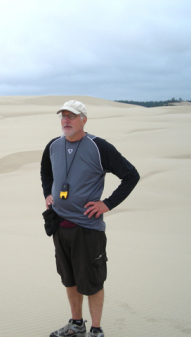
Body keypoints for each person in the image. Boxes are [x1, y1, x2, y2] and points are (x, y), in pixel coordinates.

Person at [40, 100, 140, 337]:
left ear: (84, 120)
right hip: (60, 226)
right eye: (63, 116)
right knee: (70, 279)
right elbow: (45, 171)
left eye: (71, 116)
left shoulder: (99, 147)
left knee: (92, 281)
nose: (66, 120)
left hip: (87, 228)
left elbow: (131, 175)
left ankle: (96, 330)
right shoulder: (53, 145)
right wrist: (47, 193)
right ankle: (77, 325)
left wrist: (107, 203)